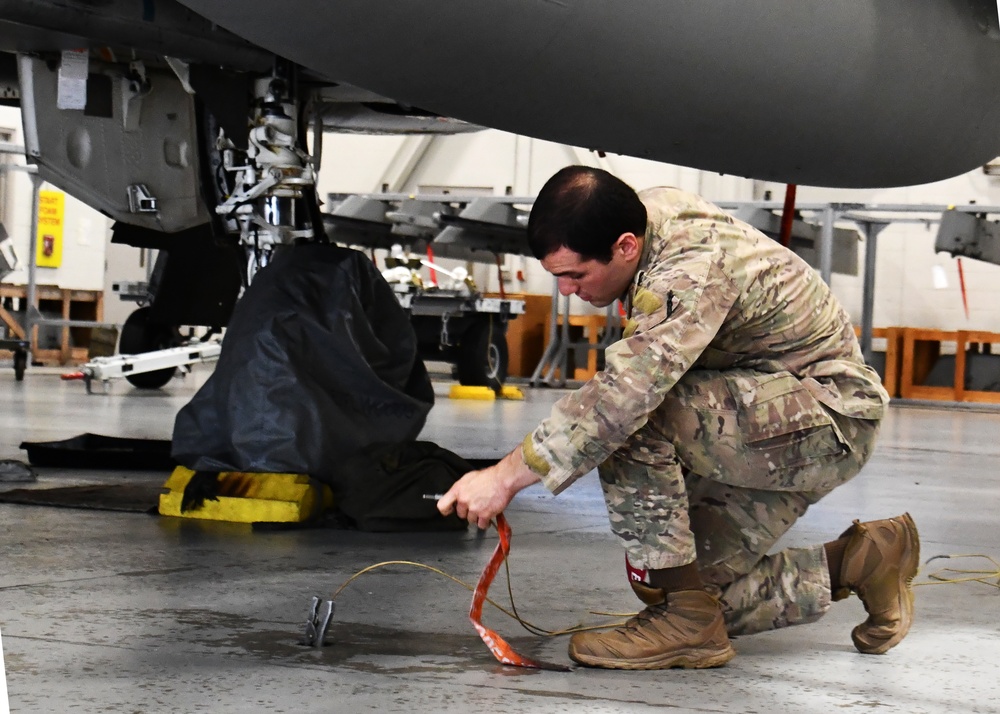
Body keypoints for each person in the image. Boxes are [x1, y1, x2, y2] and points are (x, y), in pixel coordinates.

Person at [438, 165, 919, 670]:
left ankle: (688, 625)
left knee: (630, 420)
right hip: (768, 412)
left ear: (625, 246)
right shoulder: (644, 219)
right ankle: (864, 561)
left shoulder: (687, 271)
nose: (564, 291)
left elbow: (623, 397)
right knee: (674, 581)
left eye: (575, 275)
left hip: (827, 416)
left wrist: (503, 478)